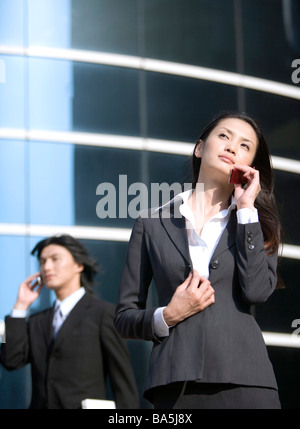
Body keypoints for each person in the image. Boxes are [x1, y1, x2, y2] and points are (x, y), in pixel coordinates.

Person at [114, 111, 282, 409]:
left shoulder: (256, 223)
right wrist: (167, 315)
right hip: (175, 385)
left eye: (245, 146)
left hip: (247, 382)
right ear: (200, 147)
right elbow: (124, 317)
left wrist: (245, 210)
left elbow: (256, 291)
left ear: (250, 166)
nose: (232, 147)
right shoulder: (151, 223)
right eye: (224, 136)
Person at [0, 234, 139, 409]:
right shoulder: (36, 321)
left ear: (79, 265)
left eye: (55, 259)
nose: (47, 267)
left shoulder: (103, 314)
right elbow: (10, 360)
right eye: (42, 262)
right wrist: (19, 308)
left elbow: (123, 381)